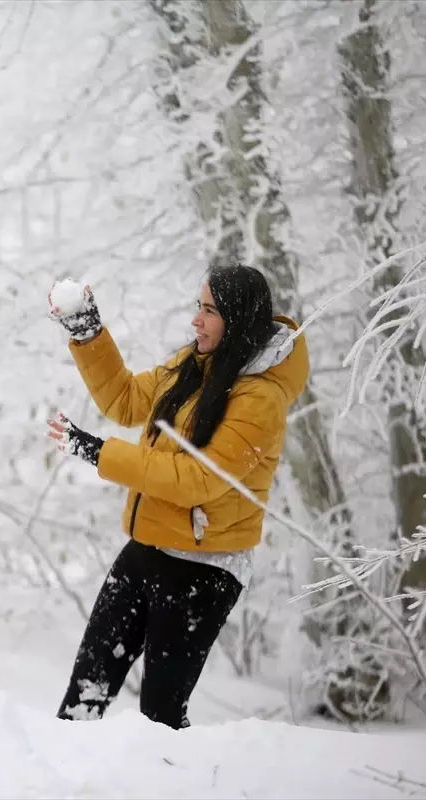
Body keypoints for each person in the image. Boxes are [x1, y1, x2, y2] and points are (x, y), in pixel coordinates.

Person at [46, 264, 308, 729]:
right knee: (85, 695)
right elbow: (125, 400)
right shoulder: (194, 365)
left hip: (204, 569)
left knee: (159, 719)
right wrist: (88, 334)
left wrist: (99, 453)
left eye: (209, 310)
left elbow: (197, 479)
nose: (196, 321)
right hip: (146, 546)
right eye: (198, 307)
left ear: (239, 319)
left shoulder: (260, 400)